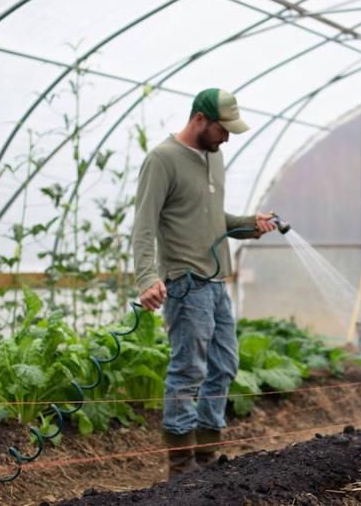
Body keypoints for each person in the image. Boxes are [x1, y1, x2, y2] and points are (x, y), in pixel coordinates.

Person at [132, 88, 277, 477]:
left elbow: (213, 219)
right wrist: (147, 277)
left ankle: (208, 456)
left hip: (216, 283)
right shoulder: (162, 160)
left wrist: (250, 225)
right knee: (188, 370)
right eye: (222, 129)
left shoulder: (215, 157)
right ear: (200, 119)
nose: (227, 137)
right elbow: (144, 226)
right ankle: (181, 467)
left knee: (225, 364)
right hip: (185, 282)